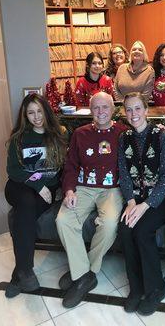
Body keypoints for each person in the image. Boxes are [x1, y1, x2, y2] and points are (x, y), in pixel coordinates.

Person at [56, 92, 126, 309]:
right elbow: (70, 165)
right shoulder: (80, 133)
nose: (101, 112)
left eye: (105, 107)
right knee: (63, 220)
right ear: (90, 109)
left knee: (109, 224)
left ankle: (85, 272)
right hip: (83, 187)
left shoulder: (124, 133)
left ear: (112, 108)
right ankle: (85, 274)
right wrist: (69, 190)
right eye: (96, 108)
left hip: (111, 189)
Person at [4, 93, 67, 298]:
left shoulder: (59, 134)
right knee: (26, 201)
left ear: (46, 111)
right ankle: (25, 270)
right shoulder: (18, 138)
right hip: (19, 186)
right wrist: (39, 185)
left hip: (45, 191)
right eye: (31, 113)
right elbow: (13, 170)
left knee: (24, 214)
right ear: (25, 115)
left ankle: (20, 273)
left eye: (39, 111)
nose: (36, 116)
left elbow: (65, 167)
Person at [118, 92, 165, 316]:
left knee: (142, 231)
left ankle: (155, 289)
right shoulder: (124, 138)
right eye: (129, 109)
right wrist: (131, 202)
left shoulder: (162, 135)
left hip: (160, 199)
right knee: (124, 229)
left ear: (146, 110)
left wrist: (144, 205)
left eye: (138, 108)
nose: (134, 114)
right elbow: (123, 173)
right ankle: (136, 287)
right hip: (136, 199)